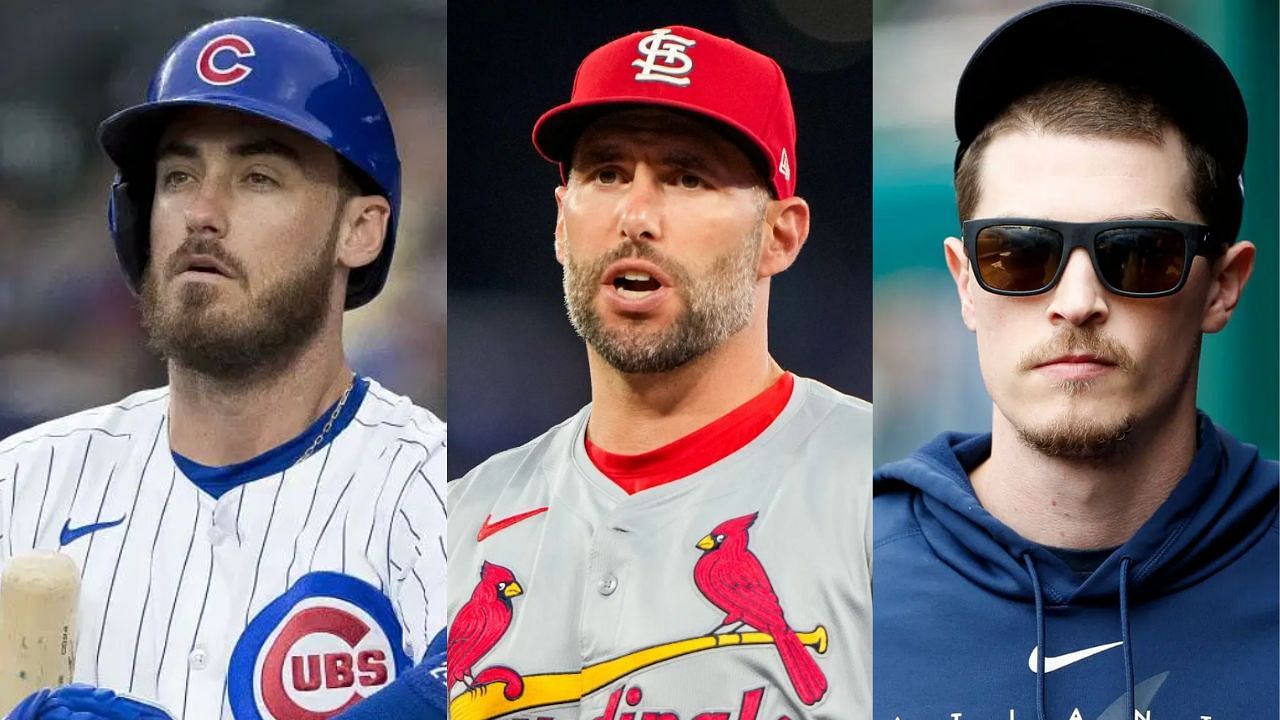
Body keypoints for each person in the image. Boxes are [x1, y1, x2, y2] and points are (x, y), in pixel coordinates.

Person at [0, 17, 446, 720]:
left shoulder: (438, 489)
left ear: (360, 230)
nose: (201, 213)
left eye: (258, 177)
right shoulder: (21, 482)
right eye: (178, 176)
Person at [447, 25, 871, 720]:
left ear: (780, 235)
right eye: (607, 173)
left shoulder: (877, 499)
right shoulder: (460, 522)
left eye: (687, 176)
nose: (635, 216)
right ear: (560, 224)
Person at [873, 2, 1278, 718]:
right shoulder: (831, 580)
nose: (1078, 300)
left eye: (1140, 254)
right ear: (965, 282)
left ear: (1223, 286)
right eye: (1021, 252)